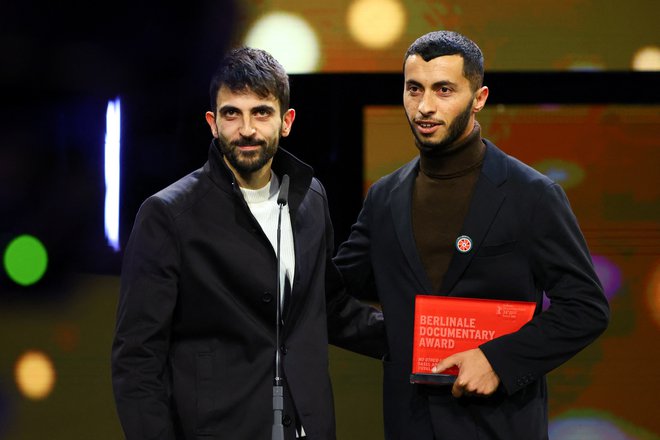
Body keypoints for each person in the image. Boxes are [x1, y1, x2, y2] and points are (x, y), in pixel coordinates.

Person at [333, 31, 610, 439]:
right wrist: (399, 340)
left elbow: (586, 308)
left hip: (500, 424)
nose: (425, 106)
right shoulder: (384, 198)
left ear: (479, 98)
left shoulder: (531, 194)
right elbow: (334, 288)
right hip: (411, 425)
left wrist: (499, 360)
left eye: (444, 90)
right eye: (414, 89)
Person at [111, 47, 385, 440]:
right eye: (231, 113)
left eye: (261, 112)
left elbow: (331, 308)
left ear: (286, 121)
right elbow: (137, 359)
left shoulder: (311, 198)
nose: (247, 129)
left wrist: (417, 341)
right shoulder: (168, 215)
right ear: (212, 122)